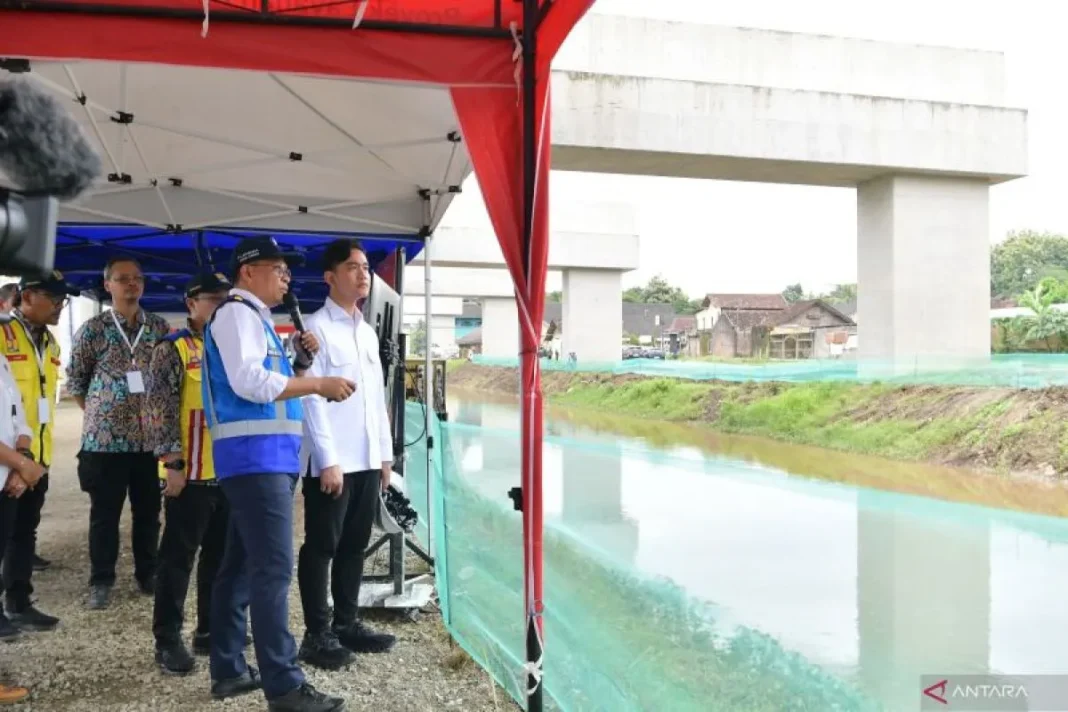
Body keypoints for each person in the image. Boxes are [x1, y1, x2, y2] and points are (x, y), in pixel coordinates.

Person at [202, 235, 353, 711]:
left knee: (241, 567)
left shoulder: (256, 320)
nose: (287, 277)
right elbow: (251, 383)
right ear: (248, 272)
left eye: (288, 271)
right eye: (279, 269)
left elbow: (265, 379)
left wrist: (299, 361)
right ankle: (285, 687)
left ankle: (228, 668)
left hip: (261, 459)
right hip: (256, 460)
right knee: (273, 571)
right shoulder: (237, 315)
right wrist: (317, 382)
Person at [296, 239, 396, 671]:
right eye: (353, 267)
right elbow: (311, 399)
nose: (363, 274)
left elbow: (376, 398)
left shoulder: (367, 331)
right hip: (333, 462)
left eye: (366, 268)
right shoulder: (316, 329)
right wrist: (327, 459)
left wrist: (385, 457)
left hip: (367, 459)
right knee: (322, 546)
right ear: (329, 276)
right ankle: (316, 634)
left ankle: (347, 622)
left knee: (355, 545)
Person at [67, 257, 170, 609]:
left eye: (138, 278)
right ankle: (101, 580)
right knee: (104, 515)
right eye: (123, 279)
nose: (132, 285)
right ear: (107, 284)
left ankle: (148, 573)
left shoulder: (158, 328)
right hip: (104, 443)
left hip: (148, 443)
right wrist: (103, 413)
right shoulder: (93, 330)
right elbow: (77, 382)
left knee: (148, 513)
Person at [147, 272, 235, 675]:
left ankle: (209, 631)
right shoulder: (174, 349)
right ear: (191, 304)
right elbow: (158, 411)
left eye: (225, 298)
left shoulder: (233, 348)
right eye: (211, 299)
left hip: (229, 474)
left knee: (218, 560)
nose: (219, 305)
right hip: (190, 475)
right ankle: (167, 641)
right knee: (177, 561)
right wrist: (172, 466)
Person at [0, 272, 80, 633]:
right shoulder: (3, 335)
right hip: (7, 459)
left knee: (24, 533)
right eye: (55, 298)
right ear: (27, 296)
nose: (61, 306)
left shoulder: (49, 342)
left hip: (36, 455)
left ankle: (18, 601)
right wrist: (17, 464)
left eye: (64, 300)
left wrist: (33, 461)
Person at [0, 334, 47, 703]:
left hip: (8, 480)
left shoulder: (2, 358)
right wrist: (21, 464)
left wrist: (22, 462)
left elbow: (20, 415)